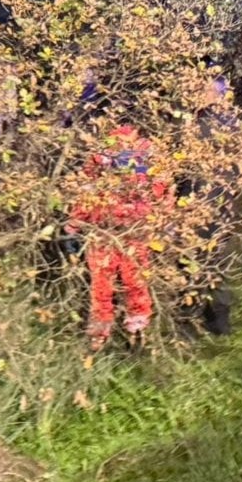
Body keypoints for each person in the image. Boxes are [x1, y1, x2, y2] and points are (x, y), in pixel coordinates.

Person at [69, 127, 168, 349]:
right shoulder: (103, 154)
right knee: (112, 282)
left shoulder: (145, 154)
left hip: (128, 229)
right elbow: (87, 190)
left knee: (124, 281)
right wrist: (76, 221)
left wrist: (75, 220)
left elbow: (161, 190)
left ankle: (129, 327)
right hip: (110, 229)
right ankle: (115, 326)